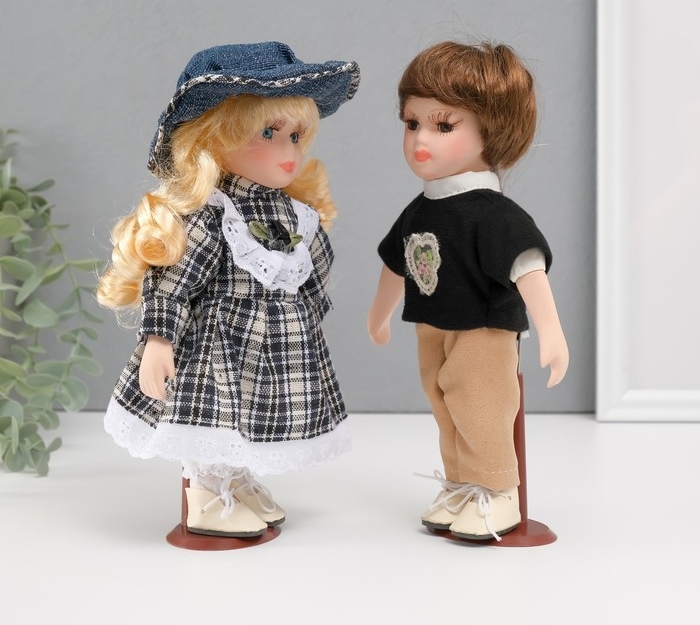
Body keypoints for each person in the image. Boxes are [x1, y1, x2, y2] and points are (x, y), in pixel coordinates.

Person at [97, 42, 360, 538]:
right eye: (269, 134)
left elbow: (313, 272)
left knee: (253, 417)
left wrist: (305, 322)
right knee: (216, 415)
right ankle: (205, 496)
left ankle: (235, 483)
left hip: (275, 342)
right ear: (215, 139)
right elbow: (173, 280)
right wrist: (159, 341)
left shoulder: (296, 215)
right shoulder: (212, 216)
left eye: (296, 136)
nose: (289, 151)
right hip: (219, 341)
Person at [367, 40, 568, 541]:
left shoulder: (492, 213)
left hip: (483, 327)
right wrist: (379, 315)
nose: (420, 139)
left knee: (481, 406)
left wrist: (551, 332)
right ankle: (461, 485)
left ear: (490, 130)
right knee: (444, 405)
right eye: (411, 123)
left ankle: (497, 490)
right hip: (432, 324)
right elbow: (398, 262)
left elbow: (527, 267)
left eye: (443, 126)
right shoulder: (422, 207)